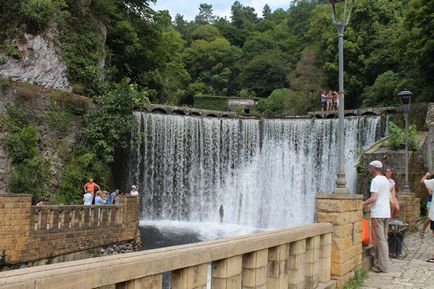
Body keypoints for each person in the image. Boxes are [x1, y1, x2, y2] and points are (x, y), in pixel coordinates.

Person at [363, 160, 391, 273]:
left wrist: (363, 203)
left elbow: (374, 198)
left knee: (380, 241)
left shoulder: (375, 180)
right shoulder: (385, 179)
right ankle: (380, 263)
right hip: (386, 213)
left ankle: (383, 267)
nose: (369, 170)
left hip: (378, 213)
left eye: (370, 168)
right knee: (383, 239)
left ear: (374, 168)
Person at [420, 172, 434, 239]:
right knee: (429, 218)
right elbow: (430, 193)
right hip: (430, 202)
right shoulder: (431, 182)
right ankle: (423, 230)